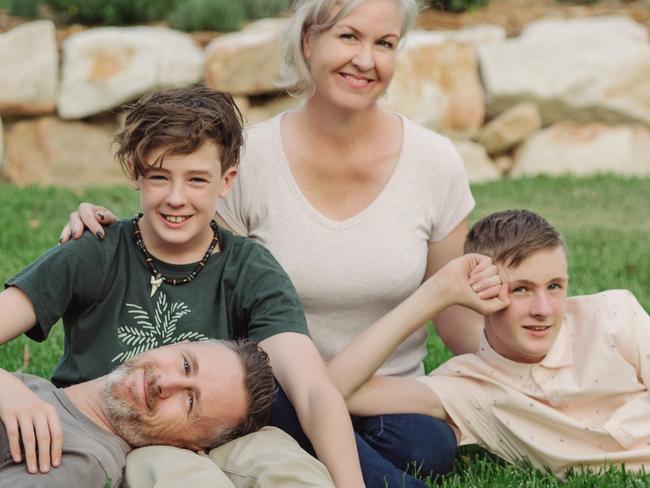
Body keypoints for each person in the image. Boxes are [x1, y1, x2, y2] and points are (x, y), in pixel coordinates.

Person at [60, 0, 491, 483]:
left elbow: (460, 324)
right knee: (294, 415)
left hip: (383, 393)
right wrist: (110, 230)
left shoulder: (435, 163)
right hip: (276, 390)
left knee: (427, 445)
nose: (366, 60)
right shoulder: (249, 158)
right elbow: (183, 252)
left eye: (385, 43)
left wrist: (539, 361)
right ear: (308, 40)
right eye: (349, 37)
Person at [1, 85, 362, 487]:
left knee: (289, 461)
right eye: (159, 176)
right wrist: (6, 387)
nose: (176, 198)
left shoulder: (249, 269)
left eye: (196, 180)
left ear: (226, 181)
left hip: (195, 436)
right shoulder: (96, 250)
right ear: (134, 173)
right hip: (96, 427)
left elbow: (312, 390)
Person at [329, 209, 650, 478]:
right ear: (480, 293)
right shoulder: (468, 386)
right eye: (521, 289)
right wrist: (438, 291)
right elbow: (330, 390)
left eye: (554, 286)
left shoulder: (612, 315)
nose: (543, 309)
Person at [0, 339, 275, 487]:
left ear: (189, 446)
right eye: (185, 365)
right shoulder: (38, 392)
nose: (166, 384)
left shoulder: (80, 463)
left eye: (190, 401)